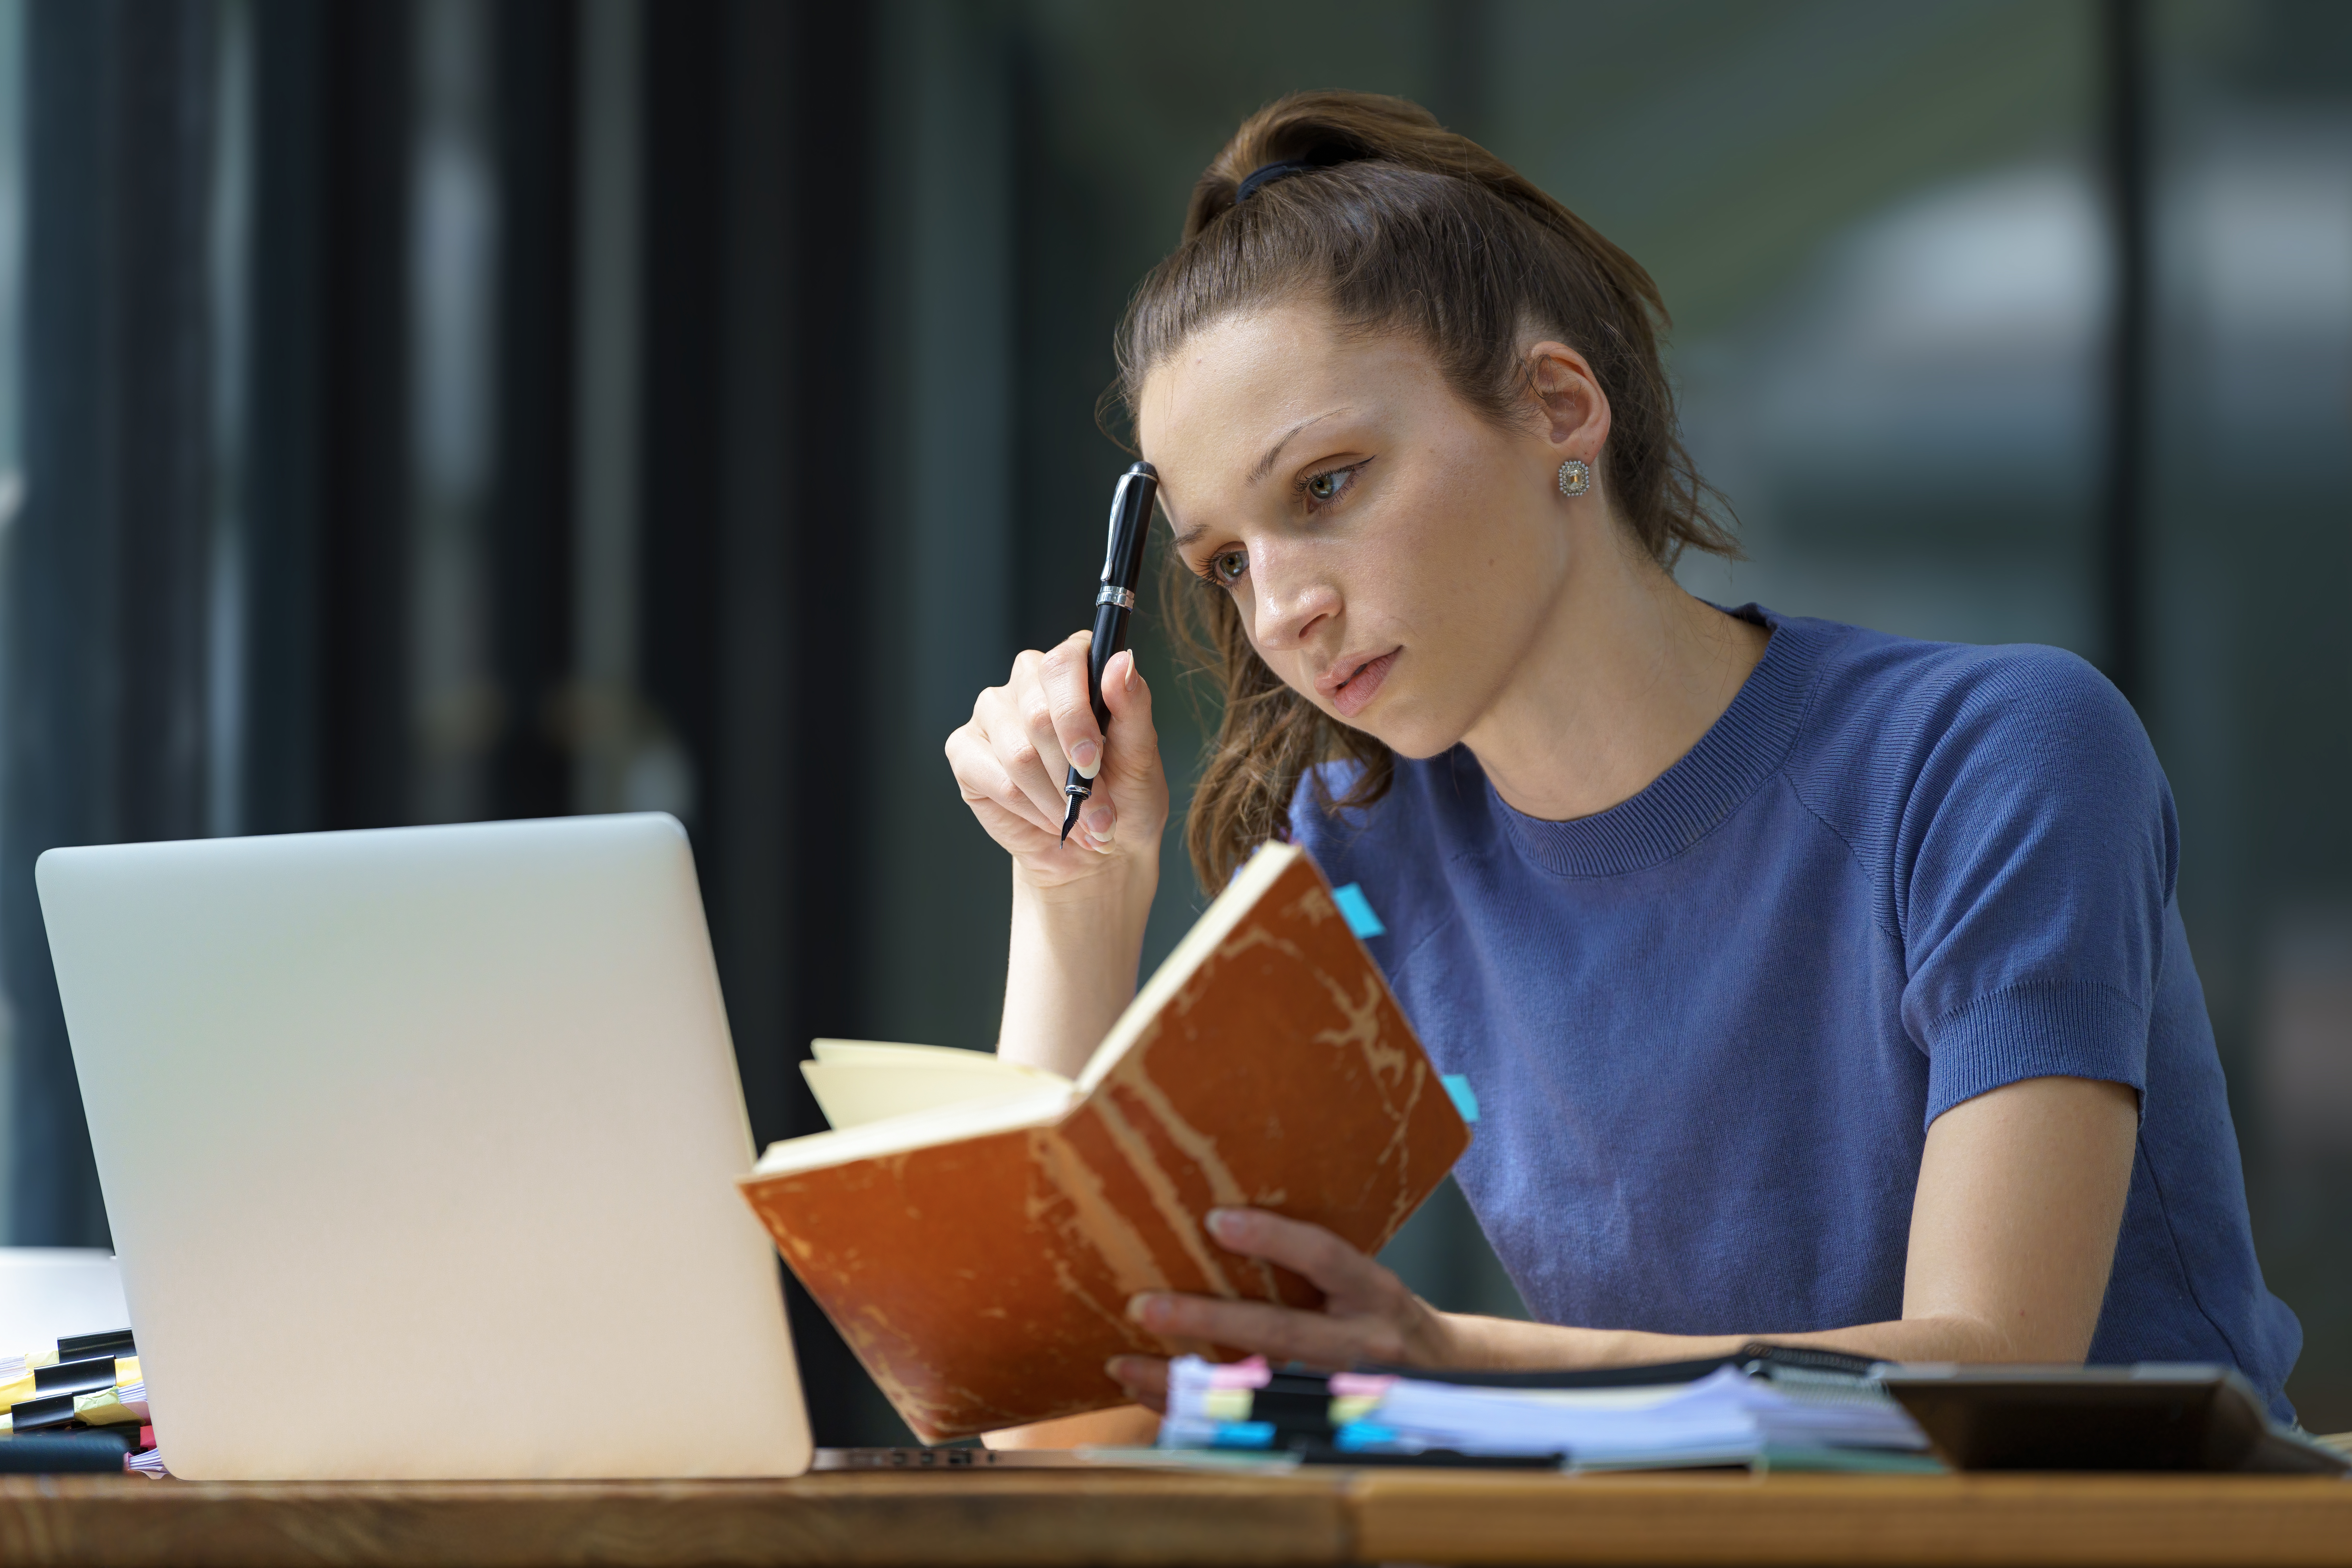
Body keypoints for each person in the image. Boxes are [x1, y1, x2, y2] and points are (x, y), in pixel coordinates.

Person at [944, 90, 2302, 1426]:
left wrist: (1457, 1361)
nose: (1282, 606)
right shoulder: (1365, 843)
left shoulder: (1992, 757)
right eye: (1227, 561)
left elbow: (1994, 1368)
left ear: (1554, 406)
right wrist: (1073, 899)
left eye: (1328, 485)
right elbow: (1062, 1418)